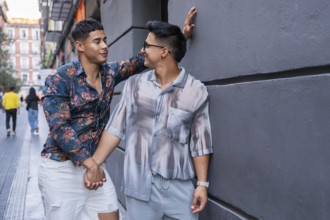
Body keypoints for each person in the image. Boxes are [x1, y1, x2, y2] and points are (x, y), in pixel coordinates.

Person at [38, 8, 196, 220]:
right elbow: (60, 128)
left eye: (105, 40)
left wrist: (181, 37)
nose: (104, 46)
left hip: (94, 165)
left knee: (111, 215)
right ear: (80, 46)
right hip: (61, 169)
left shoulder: (110, 73)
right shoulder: (60, 78)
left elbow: (145, 59)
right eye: (97, 42)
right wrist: (90, 163)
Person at [90, 19, 212, 220]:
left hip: (180, 190)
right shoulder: (134, 85)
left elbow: (201, 143)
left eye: (147, 45)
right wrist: (94, 164)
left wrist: (202, 185)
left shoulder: (195, 91)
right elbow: (114, 129)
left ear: (164, 52)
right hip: (139, 187)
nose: (143, 50)